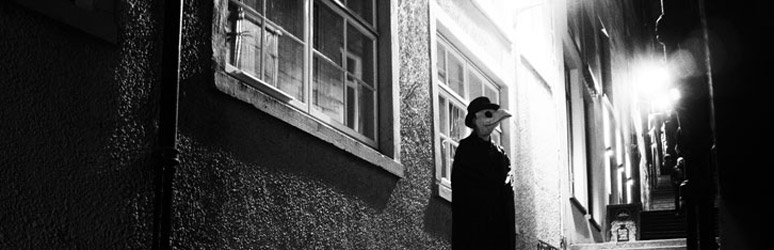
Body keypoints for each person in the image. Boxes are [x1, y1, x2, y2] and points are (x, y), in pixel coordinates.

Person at [451, 96, 515, 250]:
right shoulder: (465, 150)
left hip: (498, 233)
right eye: (487, 114)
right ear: (474, 120)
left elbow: (507, 196)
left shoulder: (501, 155)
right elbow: (463, 194)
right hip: (474, 231)